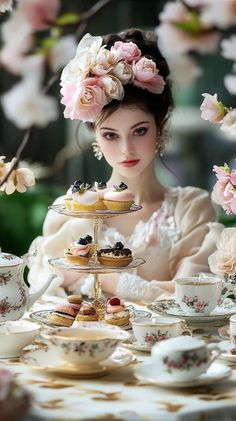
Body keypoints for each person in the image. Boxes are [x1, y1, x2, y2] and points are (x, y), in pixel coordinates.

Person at [28, 28, 223, 303]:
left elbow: (189, 300)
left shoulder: (190, 209)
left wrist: (107, 279)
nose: (126, 150)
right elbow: (44, 294)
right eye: (110, 135)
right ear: (95, 135)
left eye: (139, 131)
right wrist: (156, 288)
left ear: (161, 126)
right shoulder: (71, 214)